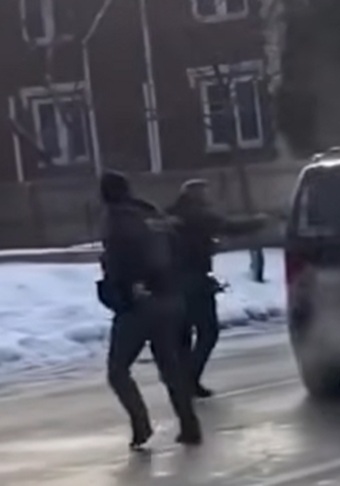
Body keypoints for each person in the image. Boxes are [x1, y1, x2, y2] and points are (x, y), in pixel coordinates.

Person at [97, 171, 202, 448]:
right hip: (171, 298)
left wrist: (126, 287)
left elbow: (119, 261)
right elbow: (179, 248)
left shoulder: (116, 220)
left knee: (118, 370)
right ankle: (190, 426)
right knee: (170, 367)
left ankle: (141, 425)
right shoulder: (152, 214)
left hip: (140, 303)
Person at [167, 179, 267, 398]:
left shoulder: (172, 214)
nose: (207, 196)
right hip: (195, 281)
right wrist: (259, 221)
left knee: (183, 334)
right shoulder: (198, 215)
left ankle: (184, 380)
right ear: (195, 195)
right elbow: (229, 226)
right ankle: (189, 379)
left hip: (172, 282)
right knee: (208, 331)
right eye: (204, 192)